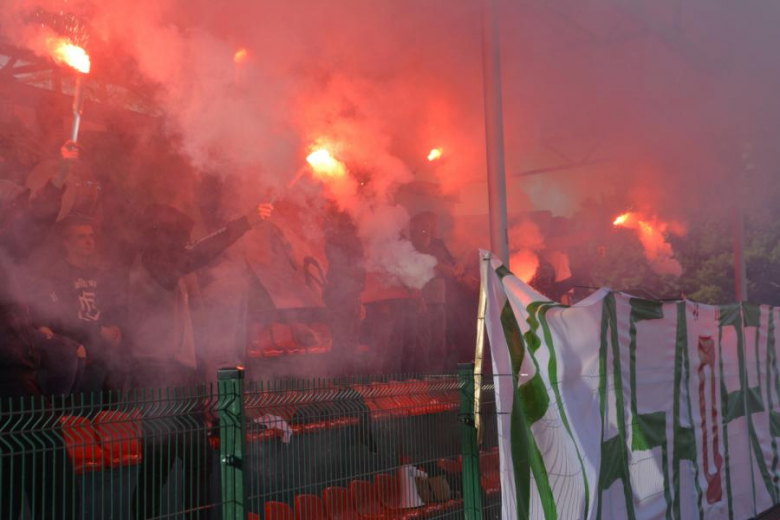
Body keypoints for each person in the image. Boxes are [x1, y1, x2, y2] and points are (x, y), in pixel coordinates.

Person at [128, 200, 272, 520]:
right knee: (157, 469)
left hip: (180, 378)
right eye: (179, 237)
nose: (185, 243)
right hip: (157, 379)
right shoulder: (152, 264)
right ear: (162, 237)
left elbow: (196, 334)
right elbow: (200, 253)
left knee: (196, 463)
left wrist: (202, 379)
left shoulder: (175, 270)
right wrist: (244, 221)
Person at [0, 140, 78, 520]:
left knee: (53, 491)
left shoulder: (6, 247)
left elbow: (34, 221)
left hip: (20, 388)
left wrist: (61, 172)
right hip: (12, 388)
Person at [34, 215, 125, 395]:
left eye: (90, 236)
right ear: (66, 243)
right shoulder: (56, 275)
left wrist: (116, 329)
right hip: (78, 361)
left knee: (108, 417)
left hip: (105, 358)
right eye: (81, 237)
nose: (88, 241)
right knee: (82, 417)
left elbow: (110, 307)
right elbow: (61, 320)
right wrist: (98, 331)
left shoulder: (99, 274)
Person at [408, 212, 462, 373]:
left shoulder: (438, 244)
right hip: (421, 302)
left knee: (439, 345)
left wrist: (458, 266)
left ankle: (437, 381)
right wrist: (440, 267)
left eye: (430, 224)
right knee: (422, 345)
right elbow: (426, 266)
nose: (428, 228)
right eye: (423, 225)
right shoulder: (410, 247)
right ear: (413, 228)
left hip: (439, 301)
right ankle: (424, 382)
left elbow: (453, 265)